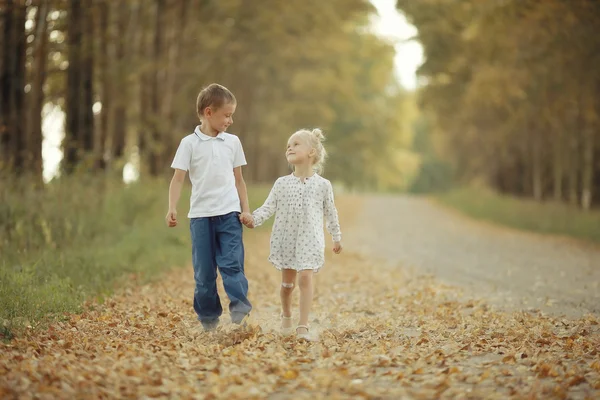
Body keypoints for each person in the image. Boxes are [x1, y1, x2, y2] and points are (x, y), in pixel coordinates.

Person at [166, 83, 253, 331]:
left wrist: (245, 209)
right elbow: (178, 178)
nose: (231, 120)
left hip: (229, 215)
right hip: (201, 218)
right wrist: (172, 207)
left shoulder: (233, 142)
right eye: (227, 115)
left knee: (232, 265)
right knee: (204, 274)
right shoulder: (189, 144)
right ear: (208, 112)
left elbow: (239, 180)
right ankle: (208, 321)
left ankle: (240, 316)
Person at [244, 128, 342, 340]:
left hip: (310, 240)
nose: (290, 147)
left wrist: (336, 237)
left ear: (311, 152)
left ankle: (303, 325)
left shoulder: (323, 186)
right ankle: (286, 314)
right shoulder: (281, 183)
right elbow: (268, 207)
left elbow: (330, 212)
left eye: (296, 143)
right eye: (288, 145)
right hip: (286, 240)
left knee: (305, 279)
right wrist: (254, 219)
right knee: (287, 285)